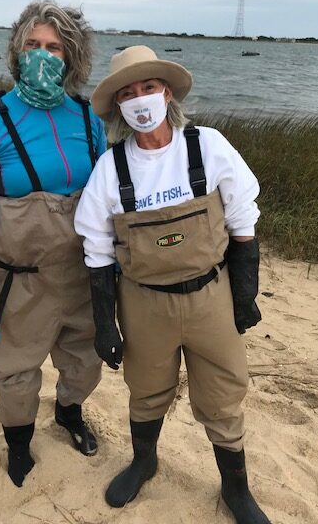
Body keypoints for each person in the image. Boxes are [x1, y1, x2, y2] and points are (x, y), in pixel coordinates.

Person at [74, 45, 271, 523]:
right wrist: (105, 324)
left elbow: (243, 220)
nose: (140, 100)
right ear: (118, 107)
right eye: (128, 93)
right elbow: (97, 251)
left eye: (148, 88)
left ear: (167, 92)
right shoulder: (110, 169)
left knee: (224, 394)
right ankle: (144, 462)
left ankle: (236, 490)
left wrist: (244, 296)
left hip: (211, 296)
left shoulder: (208, 146)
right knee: (145, 390)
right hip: (144, 305)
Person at [0, 0, 107, 488]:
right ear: (16, 51)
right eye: (33, 45)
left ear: (73, 57)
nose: (42, 56)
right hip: (15, 283)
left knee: (83, 363)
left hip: (79, 274)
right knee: (15, 374)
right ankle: (19, 444)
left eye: (54, 47)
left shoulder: (89, 121)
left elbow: (105, 204)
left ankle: (68, 415)